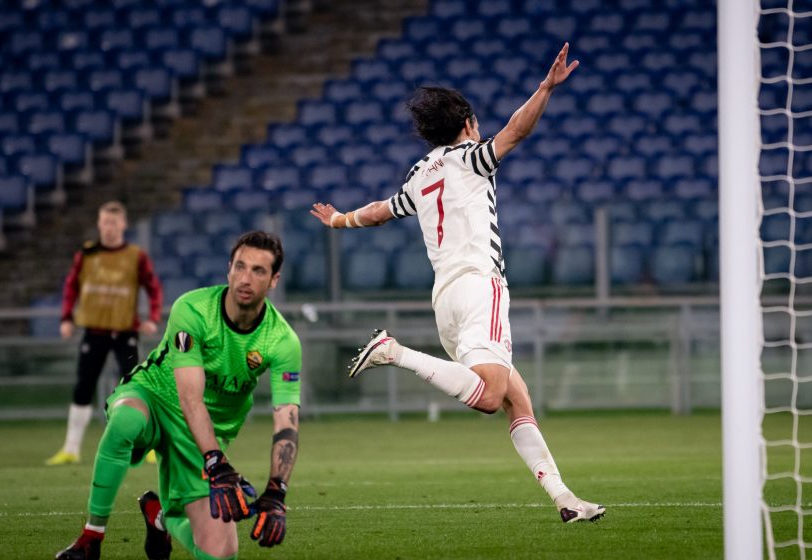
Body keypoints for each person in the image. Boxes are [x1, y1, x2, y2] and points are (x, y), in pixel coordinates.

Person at [310, 44, 604, 523]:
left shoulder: (419, 173)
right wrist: (546, 88)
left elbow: (382, 211)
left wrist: (340, 220)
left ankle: (565, 501)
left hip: (445, 300)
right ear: (467, 122)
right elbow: (517, 130)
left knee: (516, 398)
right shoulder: (470, 157)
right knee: (491, 396)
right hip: (478, 286)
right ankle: (393, 351)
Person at [55, 231, 302, 560]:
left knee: (221, 555)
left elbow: (287, 422)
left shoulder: (283, 340)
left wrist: (276, 491)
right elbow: (190, 398)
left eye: (258, 271)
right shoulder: (193, 309)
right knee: (127, 420)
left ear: (274, 280)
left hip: (207, 429)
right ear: (228, 269)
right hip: (156, 395)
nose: (246, 278)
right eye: (240, 266)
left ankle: (161, 517)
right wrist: (216, 462)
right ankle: (91, 537)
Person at [47, 201, 164, 466]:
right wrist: (66, 318)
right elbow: (70, 287)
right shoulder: (87, 255)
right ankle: (71, 448)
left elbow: (153, 287)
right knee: (83, 387)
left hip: (125, 332)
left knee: (137, 388)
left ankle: (148, 447)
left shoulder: (136, 256)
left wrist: (153, 318)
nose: (109, 228)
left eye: (114, 222)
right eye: (105, 222)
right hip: (95, 331)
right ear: (99, 224)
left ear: (123, 225)